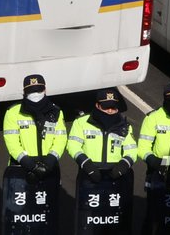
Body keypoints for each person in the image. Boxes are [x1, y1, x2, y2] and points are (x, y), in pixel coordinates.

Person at [2, 73, 66, 234]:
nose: (35, 95)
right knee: (18, 215)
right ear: (24, 93)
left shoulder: (56, 112)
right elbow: (12, 144)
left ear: (45, 90)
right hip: (20, 170)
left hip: (48, 170)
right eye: (32, 92)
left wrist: (50, 162)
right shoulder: (13, 113)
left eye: (38, 90)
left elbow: (60, 139)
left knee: (46, 213)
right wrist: (30, 165)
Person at [69, 89, 136, 234]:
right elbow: (73, 146)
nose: (110, 111)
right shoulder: (81, 123)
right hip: (90, 175)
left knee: (112, 217)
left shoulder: (124, 125)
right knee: (88, 217)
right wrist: (86, 164)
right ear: (97, 105)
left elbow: (131, 150)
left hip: (115, 178)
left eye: (113, 107)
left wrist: (123, 165)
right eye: (106, 107)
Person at [138, 83, 170, 235]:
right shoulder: (153, 118)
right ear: (165, 100)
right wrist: (155, 162)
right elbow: (142, 147)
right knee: (154, 216)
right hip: (159, 174)